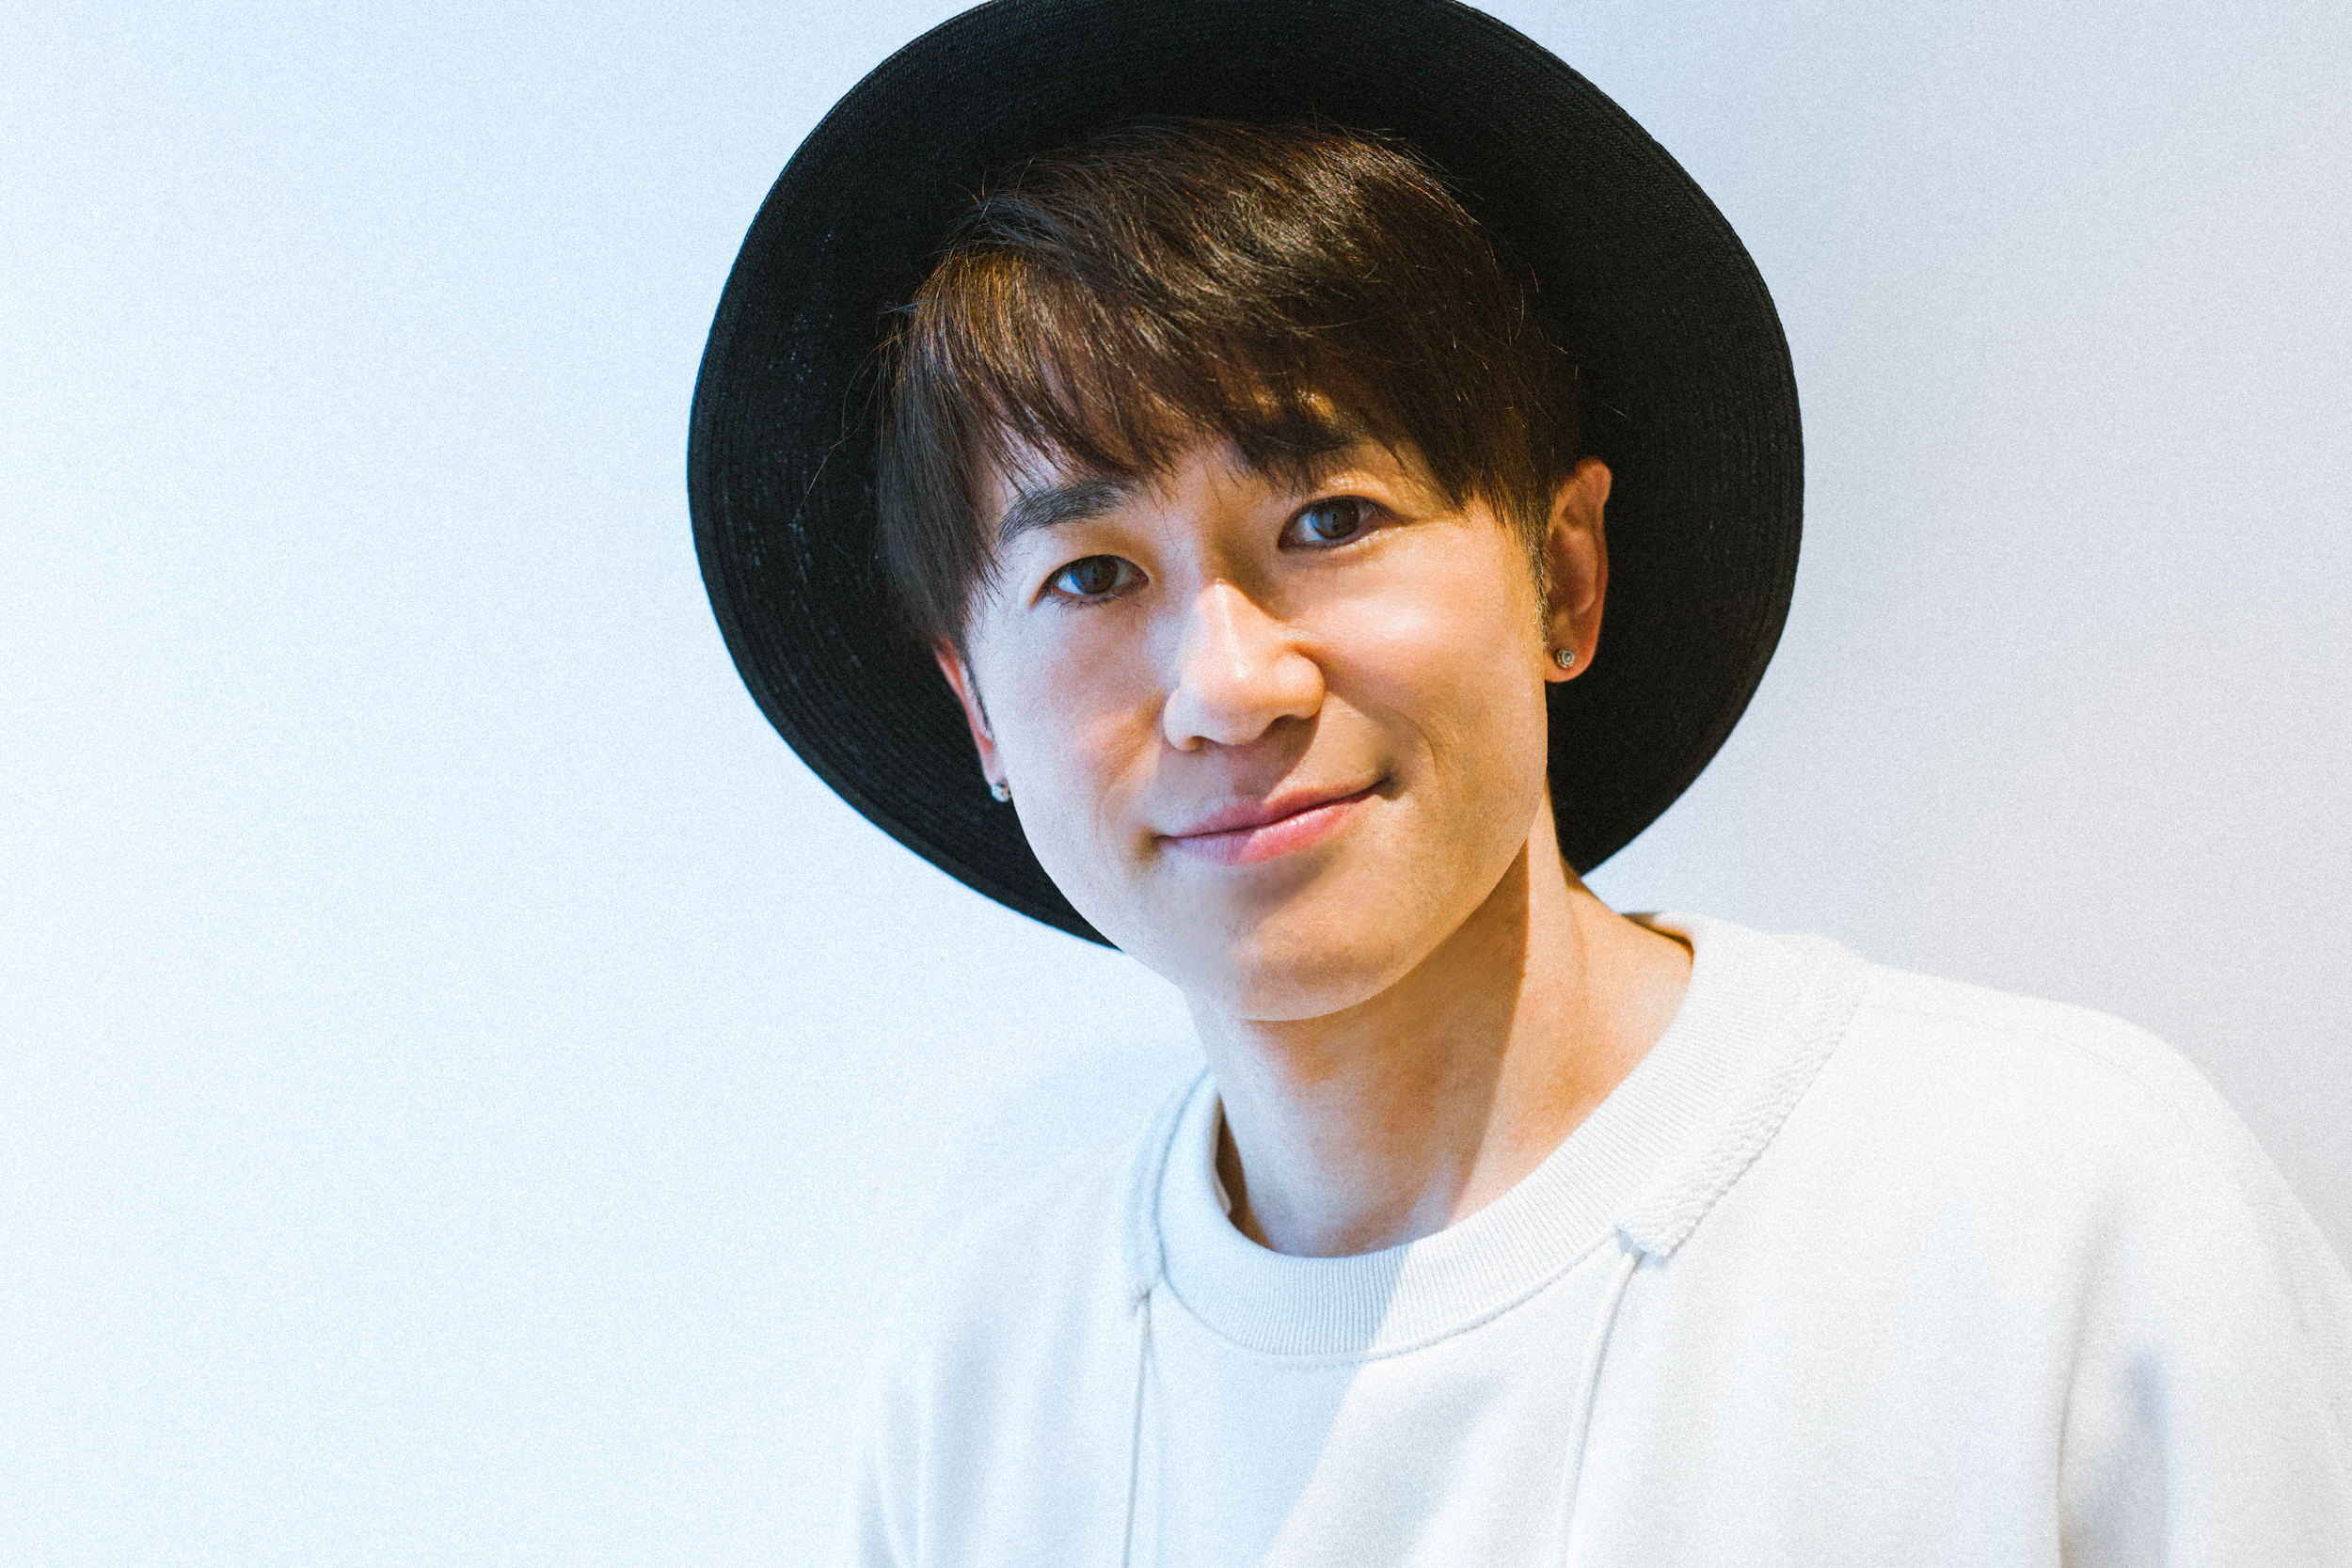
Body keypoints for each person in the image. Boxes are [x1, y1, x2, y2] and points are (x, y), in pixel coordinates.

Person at [686, 2, 2352, 1563]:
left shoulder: (2053, 1217)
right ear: (979, 711)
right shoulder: (984, 1380)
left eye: (1329, 519)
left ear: (1562, 574)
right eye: (1093, 576)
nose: (1230, 685)